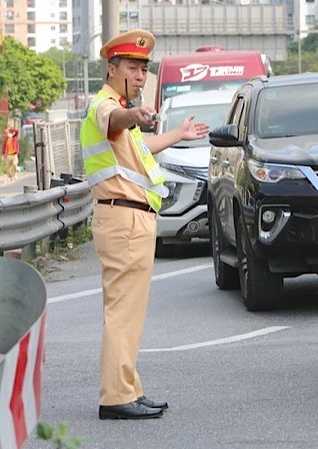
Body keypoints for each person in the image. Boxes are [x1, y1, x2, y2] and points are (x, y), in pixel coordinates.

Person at [80, 29, 209, 420]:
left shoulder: (120, 111)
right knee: (123, 313)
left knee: (128, 313)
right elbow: (114, 119)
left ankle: (128, 389)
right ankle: (116, 397)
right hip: (123, 218)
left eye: (143, 70)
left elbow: (140, 148)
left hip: (130, 218)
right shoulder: (105, 107)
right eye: (133, 68)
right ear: (112, 69)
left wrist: (177, 134)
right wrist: (131, 114)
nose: (140, 76)